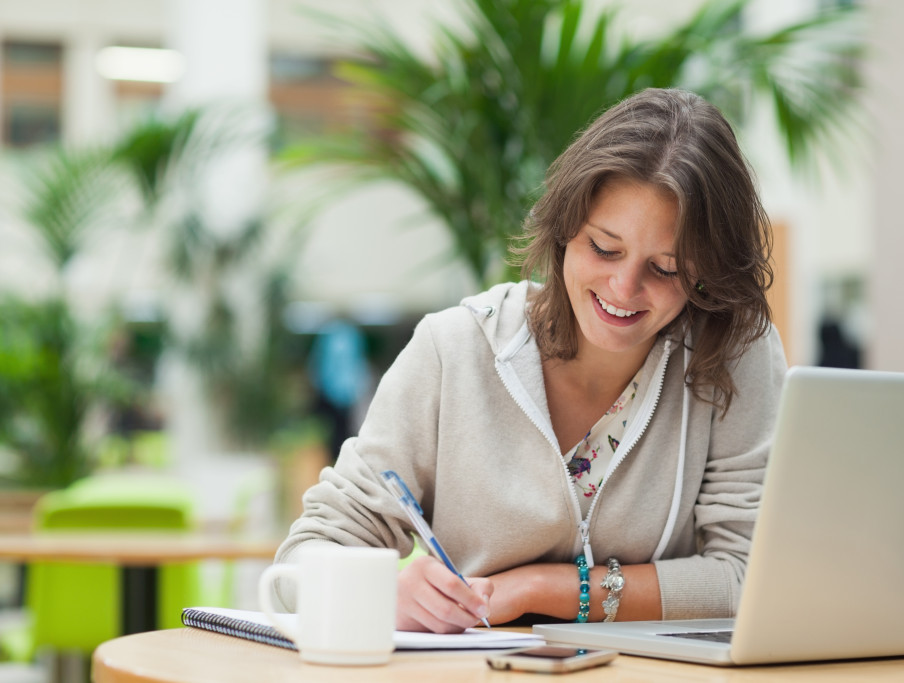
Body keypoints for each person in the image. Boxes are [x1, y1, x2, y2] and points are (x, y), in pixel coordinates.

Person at [274, 88, 788, 633]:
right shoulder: (455, 351)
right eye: (605, 248)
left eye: (665, 268)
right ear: (566, 228)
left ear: (707, 271)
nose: (624, 286)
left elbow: (747, 576)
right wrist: (381, 594)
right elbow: (298, 566)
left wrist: (542, 588)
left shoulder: (732, 354)